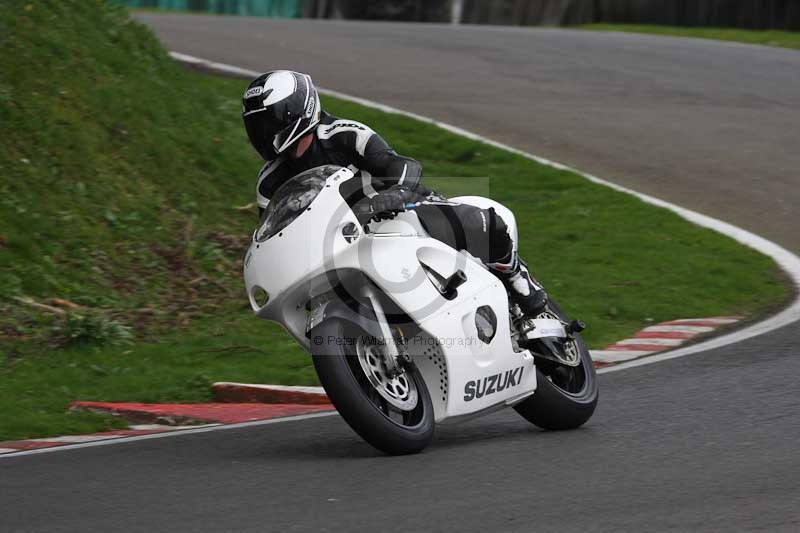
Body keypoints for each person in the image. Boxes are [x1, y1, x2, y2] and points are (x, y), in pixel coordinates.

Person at [242, 70, 547, 317]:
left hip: (398, 214)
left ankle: (517, 278)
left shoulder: (344, 134)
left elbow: (400, 165)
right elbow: (275, 234)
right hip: (338, 248)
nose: (262, 134)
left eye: (268, 123)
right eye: (255, 126)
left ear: (296, 112)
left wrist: (394, 194)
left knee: (481, 224)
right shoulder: (268, 183)